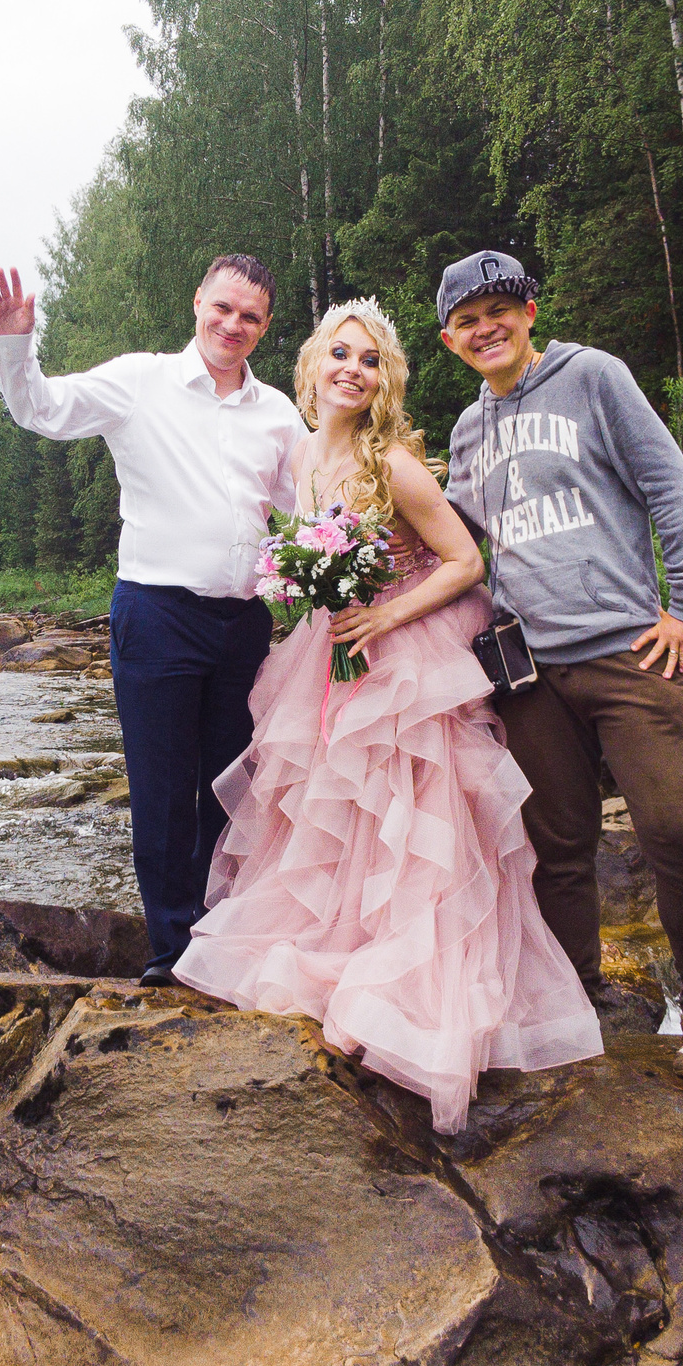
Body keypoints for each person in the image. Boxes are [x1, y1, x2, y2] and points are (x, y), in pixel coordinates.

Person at [173, 298, 603, 1133]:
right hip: (331, 655)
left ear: (384, 380)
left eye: (370, 361)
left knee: (413, 825)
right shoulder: (299, 456)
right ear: (311, 367)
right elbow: (298, 553)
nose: (353, 370)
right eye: (340, 353)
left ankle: (412, 997)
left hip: (406, 654)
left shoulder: (393, 462)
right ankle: (346, 960)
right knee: (333, 816)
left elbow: (465, 561)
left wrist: (383, 618)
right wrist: (313, 592)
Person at [437, 250, 683, 1085]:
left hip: (626, 649)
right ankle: (582, 1000)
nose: (485, 327)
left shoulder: (593, 377)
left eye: (500, 308)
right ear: (449, 339)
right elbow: (454, 542)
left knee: (675, 829)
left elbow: (672, 488)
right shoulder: (468, 431)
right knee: (556, 846)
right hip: (529, 670)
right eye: (467, 319)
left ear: (531, 310)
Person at [0, 256, 307, 979]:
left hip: (244, 627)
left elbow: (313, 509)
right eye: (222, 308)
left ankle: (222, 940)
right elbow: (40, 407)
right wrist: (12, 346)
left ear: (265, 326)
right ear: (197, 302)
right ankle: (172, 953)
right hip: (156, 615)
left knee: (231, 790)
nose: (233, 325)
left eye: (250, 316)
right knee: (162, 795)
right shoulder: (139, 381)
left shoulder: (279, 413)